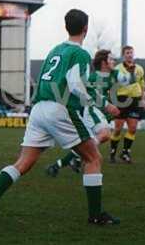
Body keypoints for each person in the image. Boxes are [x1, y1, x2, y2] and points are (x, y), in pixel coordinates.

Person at [0, 9, 121, 225]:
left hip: (39, 109)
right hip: (59, 109)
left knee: (23, 162)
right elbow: (76, 85)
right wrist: (105, 104)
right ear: (85, 28)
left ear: (66, 27)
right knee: (94, 158)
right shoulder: (80, 54)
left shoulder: (55, 50)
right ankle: (96, 215)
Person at [46, 49, 117, 177]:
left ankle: (58, 165)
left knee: (92, 140)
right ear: (104, 62)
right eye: (111, 59)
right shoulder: (95, 77)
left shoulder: (110, 76)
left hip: (99, 112)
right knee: (105, 135)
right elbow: (90, 95)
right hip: (92, 109)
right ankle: (77, 157)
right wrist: (106, 105)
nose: (114, 61)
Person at [109, 46, 145, 163]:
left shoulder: (139, 69)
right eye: (127, 53)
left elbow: (142, 85)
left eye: (131, 52)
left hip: (135, 100)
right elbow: (112, 86)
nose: (130, 55)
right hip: (121, 100)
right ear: (123, 55)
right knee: (118, 129)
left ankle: (125, 152)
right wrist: (112, 101)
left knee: (133, 128)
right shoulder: (118, 69)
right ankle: (113, 152)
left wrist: (143, 99)